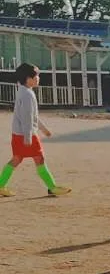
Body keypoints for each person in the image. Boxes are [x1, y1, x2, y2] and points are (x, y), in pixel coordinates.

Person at [0, 63, 71, 198]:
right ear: (28, 78)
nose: (38, 78)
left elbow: (32, 116)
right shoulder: (27, 95)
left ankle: (1, 185)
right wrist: (28, 137)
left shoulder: (23, 91)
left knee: (16, 159)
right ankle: (52, 187)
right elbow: (27, 118)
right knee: (39, 158)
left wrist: (44, 130)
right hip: (27, 134)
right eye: (36, 75)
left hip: (19, 134)